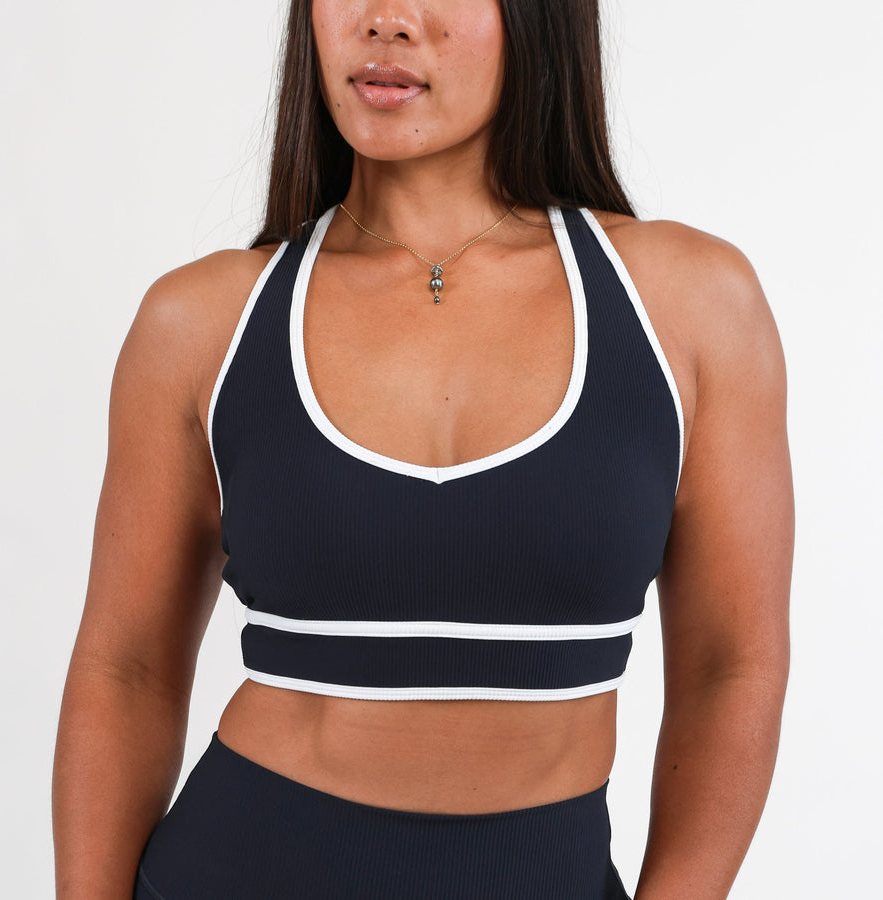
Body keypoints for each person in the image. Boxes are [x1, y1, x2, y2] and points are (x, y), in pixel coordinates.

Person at [51, 0, 793, 897]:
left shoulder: (689, 306)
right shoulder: (203, 321)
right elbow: (125, 669)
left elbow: (730, 667)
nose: (386, 19)